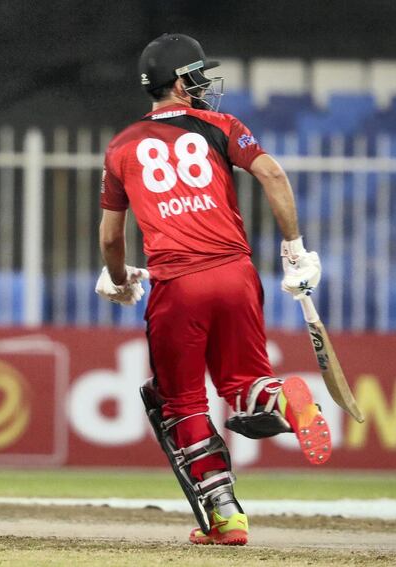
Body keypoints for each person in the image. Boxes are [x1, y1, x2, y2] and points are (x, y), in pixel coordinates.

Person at [95, 34, 330, 546]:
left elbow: (112, 236)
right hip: (236, 274)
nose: (204, 86)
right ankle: (287, 403)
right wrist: (295, 250)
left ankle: (227, 517)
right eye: (198, 77)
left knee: (182, 404)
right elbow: (272, 173)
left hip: (178, 284)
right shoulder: (222, 127)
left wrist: (117, 280)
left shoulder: (120, 146)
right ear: (179, 82)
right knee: (245, 382)